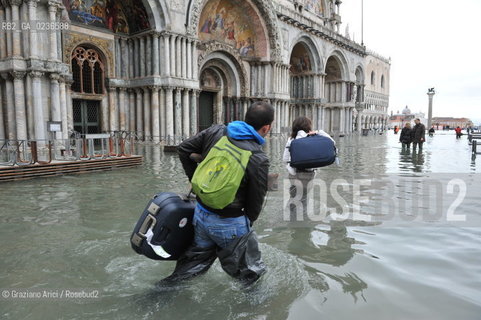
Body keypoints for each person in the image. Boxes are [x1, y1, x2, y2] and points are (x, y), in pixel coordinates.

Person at [164, 101, 274, 284]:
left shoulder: (217, 130)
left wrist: (196, 180)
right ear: (266, 128)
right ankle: (255, 312)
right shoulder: (258, 157)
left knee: (190, 269)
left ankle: (160, 292)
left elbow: (184, 148)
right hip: (231, 223)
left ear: (246, 118)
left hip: (200, 214)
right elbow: (255, 202)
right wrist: (245, 226)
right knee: (250, 277)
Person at [282, 116, 334, 219]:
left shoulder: (291, 140)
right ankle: (302, 221)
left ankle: (293, 220)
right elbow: (332, 143)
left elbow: (285, 159)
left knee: (294, 199)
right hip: (309, 175)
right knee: (304, 199)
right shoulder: (313, 138)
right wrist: (319, 132)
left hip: (294, 175)